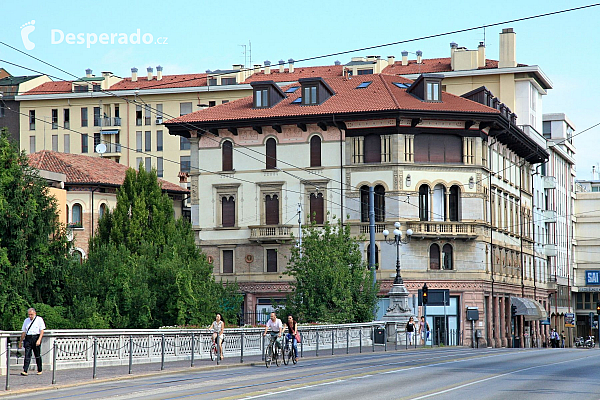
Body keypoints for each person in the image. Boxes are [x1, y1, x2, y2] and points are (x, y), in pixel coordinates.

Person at [19, 308, 46, 376]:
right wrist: (20, 342)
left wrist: (39, 339)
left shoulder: (39, 319)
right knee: (27, 354)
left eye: (31, 314)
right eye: (29, 315)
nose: (30, 316)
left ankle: (39, 369)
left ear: (35, 314)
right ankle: (25, 370)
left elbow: (42, 331)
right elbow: (24, 331)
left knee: (37, 354)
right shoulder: (26, 320)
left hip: (36, 337)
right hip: (28, 338)